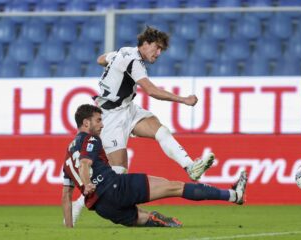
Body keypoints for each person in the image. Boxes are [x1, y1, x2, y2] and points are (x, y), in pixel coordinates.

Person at [69, 26, 216, 225]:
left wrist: (111, 64)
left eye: (162, 50)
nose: (159, 53)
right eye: (156, 48)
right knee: (118, 171)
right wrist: (183, 100)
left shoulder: (123, 52)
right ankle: (78, 204)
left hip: (127, 108)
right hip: (110, 117)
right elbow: (151, 90)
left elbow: (100, 59)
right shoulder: (134, 60)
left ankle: (191, 167)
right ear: (145, 44)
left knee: (160, 130)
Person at [62, 104, 248, 228]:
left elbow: (66, 195)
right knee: (176, 187)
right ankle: (234, 195)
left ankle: (155, 220)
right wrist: (87, 184)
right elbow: (85, 163)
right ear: (86, 123)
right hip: (115, 187)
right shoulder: (90, 138)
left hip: (103, 209)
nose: (102, 125)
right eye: (98, 120)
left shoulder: (67, 157)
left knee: (143, 218)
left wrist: (69, 229)